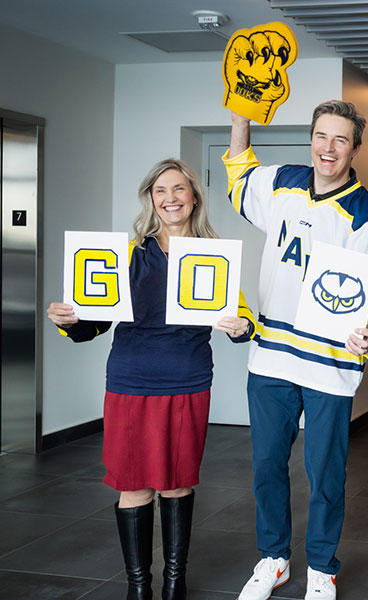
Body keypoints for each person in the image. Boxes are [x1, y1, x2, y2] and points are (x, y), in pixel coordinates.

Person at [47, 158, 255, 600]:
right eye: (161, 190)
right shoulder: (126, 254)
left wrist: (242, 326)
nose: (170, 198)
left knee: (178, 481)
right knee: (133, 483)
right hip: (130, 380)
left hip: (187, 379)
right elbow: (94, 324)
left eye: (179, 189)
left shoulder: (214, 255)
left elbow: (241, 320)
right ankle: (138, 586)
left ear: (194, 196)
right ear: (151, 198)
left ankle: (174, 582)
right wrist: (68, 319)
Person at [223, 100, 368, 600]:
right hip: (272, 357)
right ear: (312, 139)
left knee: (326, 475)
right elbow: (239, 176)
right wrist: (241, 119)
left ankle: (322, 568)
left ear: (355, 149)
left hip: (331, 366)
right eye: (322, 136)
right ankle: (274, 560)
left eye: (341, 139)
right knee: (267, 468)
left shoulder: (367, 213)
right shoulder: (282, 182)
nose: (329, 148)